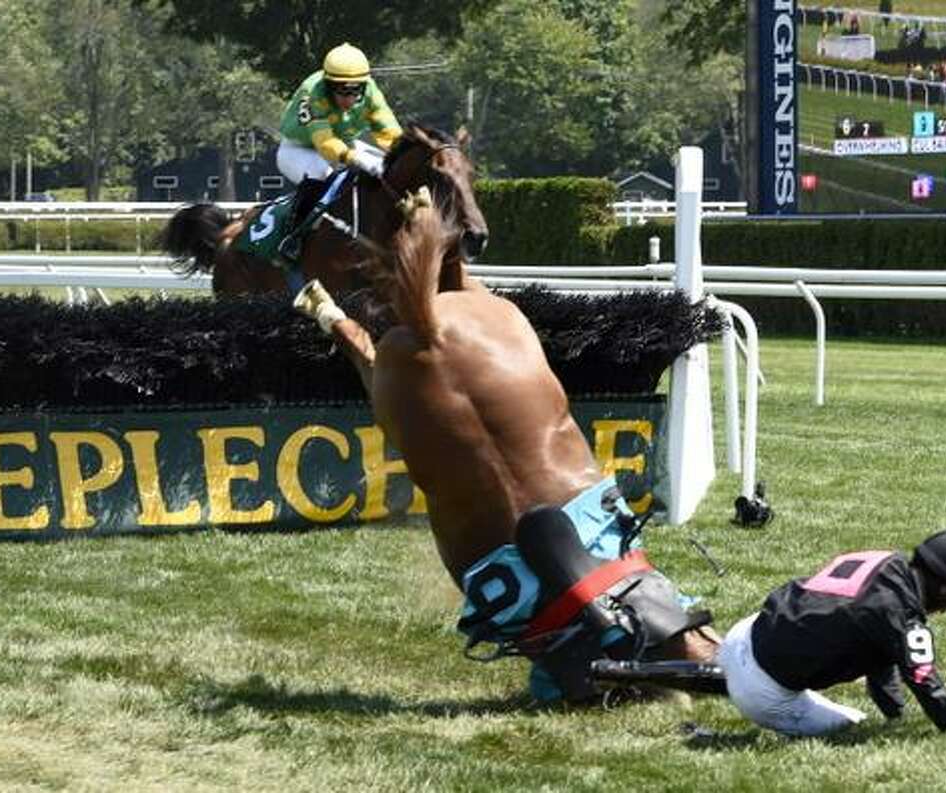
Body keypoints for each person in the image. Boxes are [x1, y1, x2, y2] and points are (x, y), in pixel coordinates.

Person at [293, 193, 719, 703]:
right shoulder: (482, 316)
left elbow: (381, 363)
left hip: (514, 567)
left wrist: (339, 323)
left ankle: (333, 319)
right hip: (568, 539)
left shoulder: (388, 359)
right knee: (643, 605)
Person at [714, 515, 946, 737]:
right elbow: (929, 687)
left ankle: (725, 674)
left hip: (745, 632)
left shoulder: (886, 559)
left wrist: (895, 713)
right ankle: (733, 691)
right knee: (854, 727)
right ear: (943, 589)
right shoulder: (902, 617)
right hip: (763, 691)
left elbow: (879, 653)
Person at [275, 42, 403, 262]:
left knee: (386, 166)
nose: (348, 98)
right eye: (341, 90)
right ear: (327, 84)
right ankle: (292, 237)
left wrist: (402, 155)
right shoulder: (313, 92)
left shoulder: (371, 91)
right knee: (321, 172)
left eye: (355, 91)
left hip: (345, 144)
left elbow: (390, 133)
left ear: (364, 85)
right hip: (299, 149)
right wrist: (354, 158)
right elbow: (325, 143)